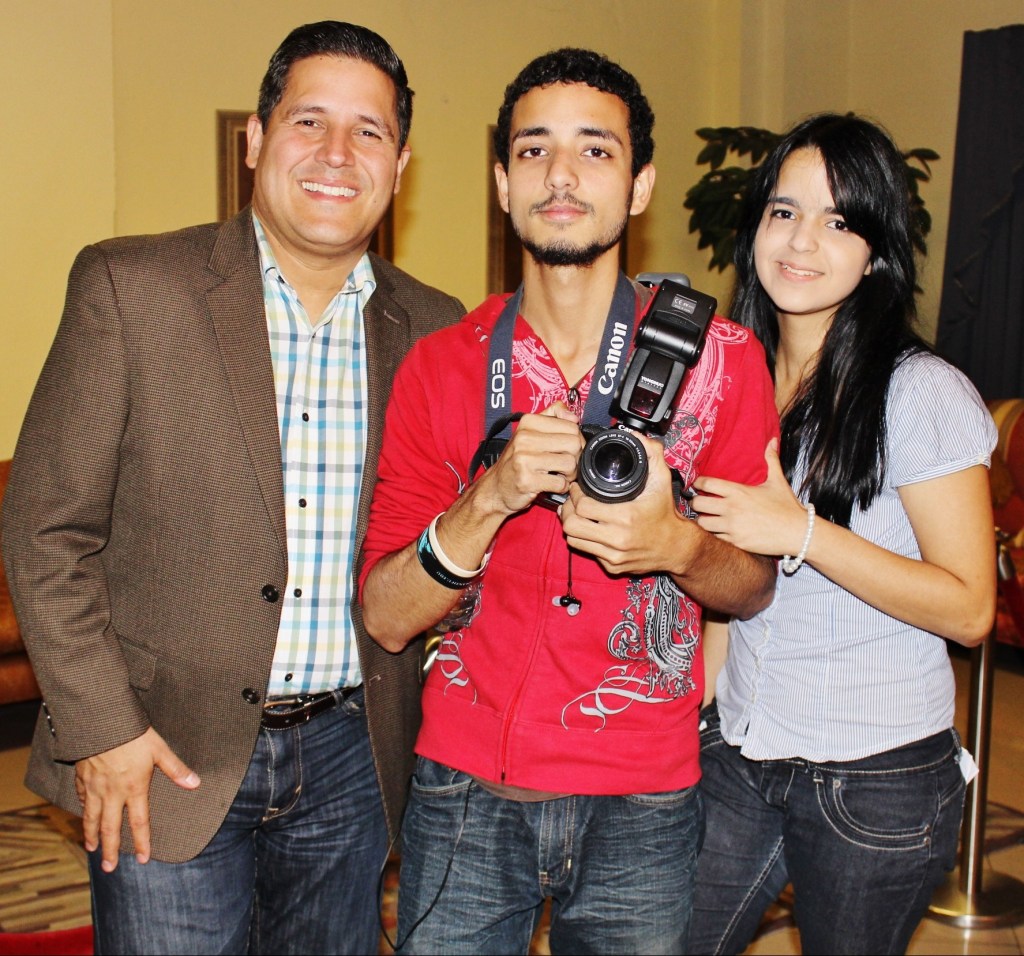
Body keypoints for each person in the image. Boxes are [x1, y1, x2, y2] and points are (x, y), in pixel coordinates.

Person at [1, 20, 463, 956]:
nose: (337, 154)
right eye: (308, 121)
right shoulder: (132, 287)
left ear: (401, 164)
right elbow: (45, 531)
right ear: (256, 139)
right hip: (161, 751)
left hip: (352, 756)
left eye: (369, 131)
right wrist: (102, 729)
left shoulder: (435, 326)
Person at [358, 48, 779, 955]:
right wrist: (490, 497)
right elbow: (387, 616)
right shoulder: (444, 364)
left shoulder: (723, 361)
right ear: (502, 182)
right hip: (466, 787)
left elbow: (753, 587)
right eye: (534, 149)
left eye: (595, 150)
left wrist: (676, 545)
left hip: (646, 798)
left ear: (639, 185)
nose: (561, 174)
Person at [688, 113, 997, 956]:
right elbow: (733, 585)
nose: (801, 242)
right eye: (784, 212)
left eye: (838, 221)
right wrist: (689, 708)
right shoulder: (736, 378)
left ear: (876, 251)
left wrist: (802, 531)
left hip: (877, 778)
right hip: (740, 749)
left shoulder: (921, 391)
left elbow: (970, 609)